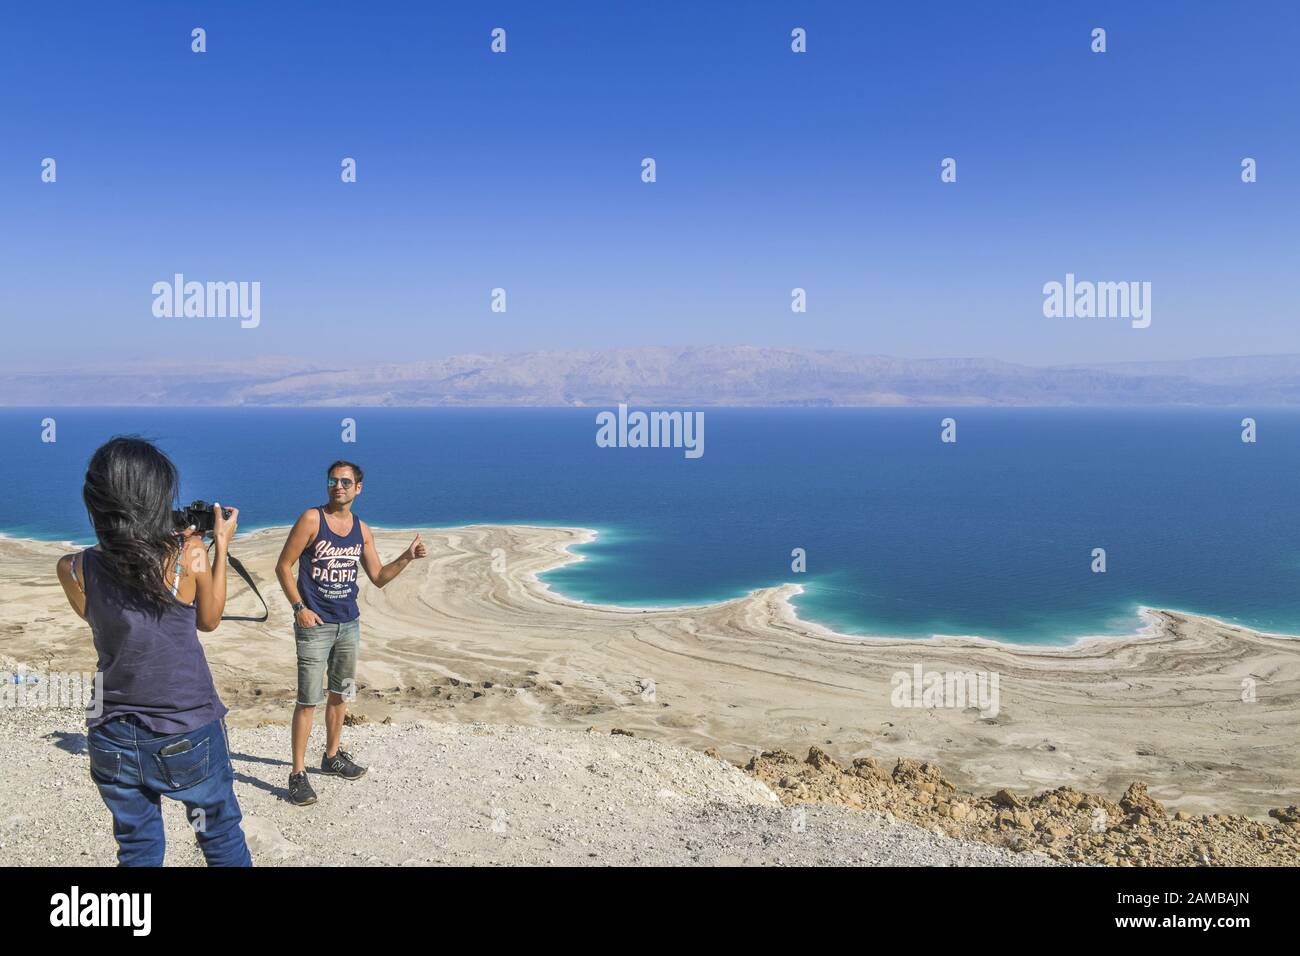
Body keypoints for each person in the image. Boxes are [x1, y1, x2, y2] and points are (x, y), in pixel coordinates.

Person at [55, 436, 252, 867]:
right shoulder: (189, 552)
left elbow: (99, 614)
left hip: (111, 734)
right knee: (217, 834)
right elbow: (210, 618)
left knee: (139, 847)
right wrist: (221, 543)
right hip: (186, 727)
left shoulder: (72, 568)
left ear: (97, 500)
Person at [274, 460, 427, 806]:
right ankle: (298, 774)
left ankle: (331, 757)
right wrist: (300, 608)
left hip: (348, 623)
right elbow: (283, 566)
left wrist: (407, 556)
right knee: (307, 700)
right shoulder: (312, 519)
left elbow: (378, 577)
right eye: (332, 481)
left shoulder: (362, 530)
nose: (337, 486)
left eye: (345, 482)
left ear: (359, 488)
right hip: (316, 626)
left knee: (340, 695)